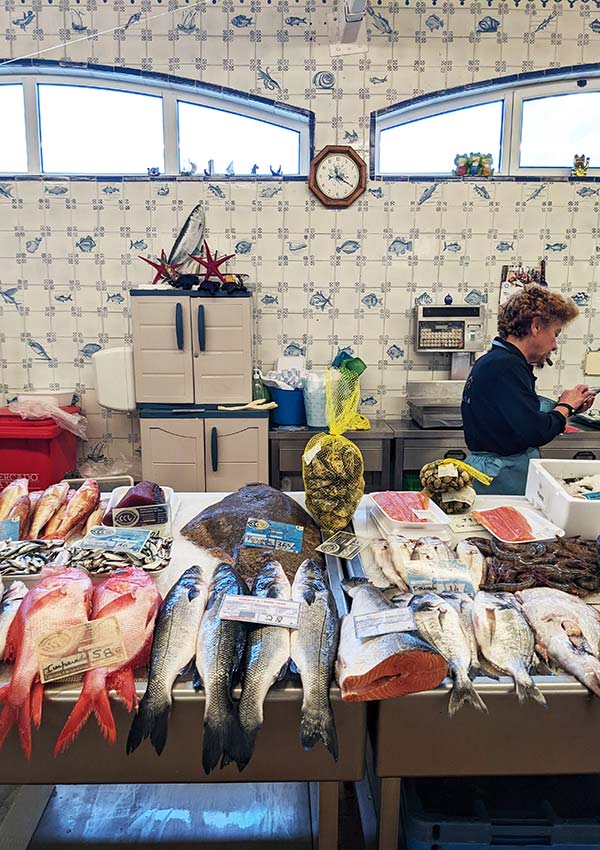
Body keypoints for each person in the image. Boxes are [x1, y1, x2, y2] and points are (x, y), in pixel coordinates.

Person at [461, 285, 595, 495]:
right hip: (502, 477)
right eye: (555, 334)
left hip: (500, 472)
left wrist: (569, 406)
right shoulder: (506, 366)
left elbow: (515, 415)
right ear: (536, 326)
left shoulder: (496, 361)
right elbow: (534, 430)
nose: (554, 345)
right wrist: (565, 406)